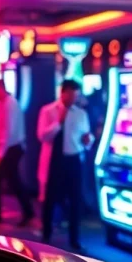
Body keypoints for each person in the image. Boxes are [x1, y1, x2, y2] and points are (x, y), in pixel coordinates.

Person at [38, 79, 94, 250]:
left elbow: (88, 137)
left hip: (74, 159)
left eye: (75, 96)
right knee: (50, 199)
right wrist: (58, 123)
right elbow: (42, 136)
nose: (72, 100)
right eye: (70, 96)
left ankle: (74, 238)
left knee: (75, 199)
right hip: (55, 160)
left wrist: (88, 140)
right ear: (63, 93)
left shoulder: (81, 114)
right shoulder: (48, 111)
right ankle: (46, 233)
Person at [0, 79, 34, 226]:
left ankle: (27, 213)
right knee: (6, 181)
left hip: (11, 148)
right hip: (9, 147)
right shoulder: (3, 103)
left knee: (9, 182)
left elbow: (9, 132)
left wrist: (0, 153)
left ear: (0, 89)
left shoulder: (10, 104)